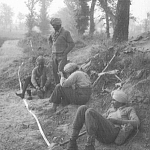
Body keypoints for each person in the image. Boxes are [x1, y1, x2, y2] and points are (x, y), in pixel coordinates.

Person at [67, 90, 140, 150]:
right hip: (102, 133)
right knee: (82, 108)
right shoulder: (111, 109)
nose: (111, 102)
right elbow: (100, 119)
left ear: (120, 102)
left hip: (113, 133)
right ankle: (72, 141)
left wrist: (117, 121)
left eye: (114, 100)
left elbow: (137, 122)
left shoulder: (129, 109)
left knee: (90, 111)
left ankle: (89, 145)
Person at [48, 17, 75, 85]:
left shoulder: (66, 32)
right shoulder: (52, 33)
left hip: (62, 56)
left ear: (59, 25)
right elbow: (49, 40)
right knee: (55, 72)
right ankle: (57, 87)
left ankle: (63, 87)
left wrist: (65, 52)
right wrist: (51, 47)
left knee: (61, 71)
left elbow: (72, 44)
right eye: (53, 25)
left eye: (55, 25)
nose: (53, 27)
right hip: (54, 56)